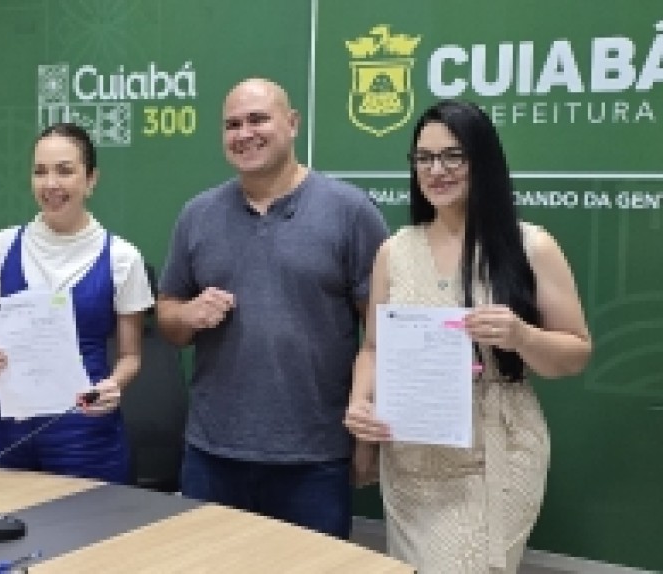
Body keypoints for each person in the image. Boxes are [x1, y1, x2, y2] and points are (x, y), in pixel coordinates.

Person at [343, 100, 592, 573]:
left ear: (482, 160)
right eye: (424, 158)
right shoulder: (394, 251)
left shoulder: (531, 245)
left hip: (494, 454)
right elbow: (374, 348)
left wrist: (522, 336)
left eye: (453, 156)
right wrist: (360, 402)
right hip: (411, 456)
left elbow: (576, 352)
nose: (437, 170)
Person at [156, 78, 389, 538]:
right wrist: (186, 315)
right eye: (232, 125)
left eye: (258, 119)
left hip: (315, 457)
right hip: (212, 454)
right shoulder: (197, 215)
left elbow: (382, 335)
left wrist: (367, 438)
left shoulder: (351, 211)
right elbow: (168, 315)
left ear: (293, 123)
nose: (245, 133)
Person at [0, 122, 154, 484]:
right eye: (40, 172)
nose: (50, 184)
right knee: (8, 518)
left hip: (86, 430)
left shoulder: (122, 257)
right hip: (10, 428)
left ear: (91, 179)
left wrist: (114, 385)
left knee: (88, 520)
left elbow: (131, 357)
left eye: (65, 171)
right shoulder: (0, 248)